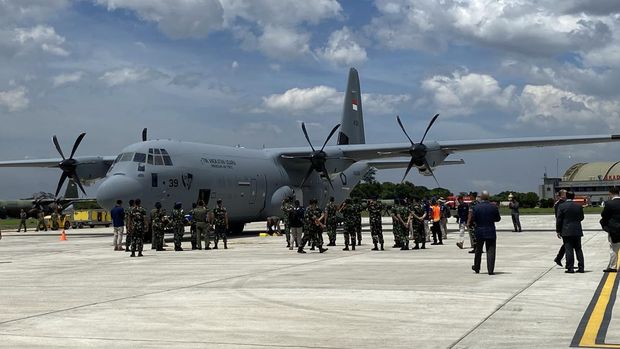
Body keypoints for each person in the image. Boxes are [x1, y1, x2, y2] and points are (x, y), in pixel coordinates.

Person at [468, 190, 500, 275]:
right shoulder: (493, 207)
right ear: (488, 197)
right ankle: (490, 270)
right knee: (491, 251)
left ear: (481, 197)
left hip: (479, 231)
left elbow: (473, 219)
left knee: (478, 250)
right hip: (490, 231)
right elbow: (498, 219)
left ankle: (477, 267)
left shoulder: (476, 207)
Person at [556, 191, 585, 273]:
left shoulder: (562, 206)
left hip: (566, 230)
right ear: (573, 196)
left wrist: (558, 230)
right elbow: (581, 217)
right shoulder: (578, 206)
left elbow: (559, 219)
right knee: (578, 249)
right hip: (577, 230)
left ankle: (570, 267)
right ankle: (581, 267)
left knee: (569, 249)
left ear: (566, 196)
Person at [600, 186, 620, 273]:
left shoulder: (609, 203)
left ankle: (613, 267)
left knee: (614, 249)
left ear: (611, 193)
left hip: (614, 229)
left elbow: (604, 215)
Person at [553, 190, 567, 266]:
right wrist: (558, 230)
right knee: (567, 244)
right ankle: (559, 258)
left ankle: (559, 258)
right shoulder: (560, 204)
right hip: (563, 226)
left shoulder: (560, 203)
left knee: (567, 244)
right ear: (562, 195)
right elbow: (558, 217)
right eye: (566, 193)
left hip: (565, 226)